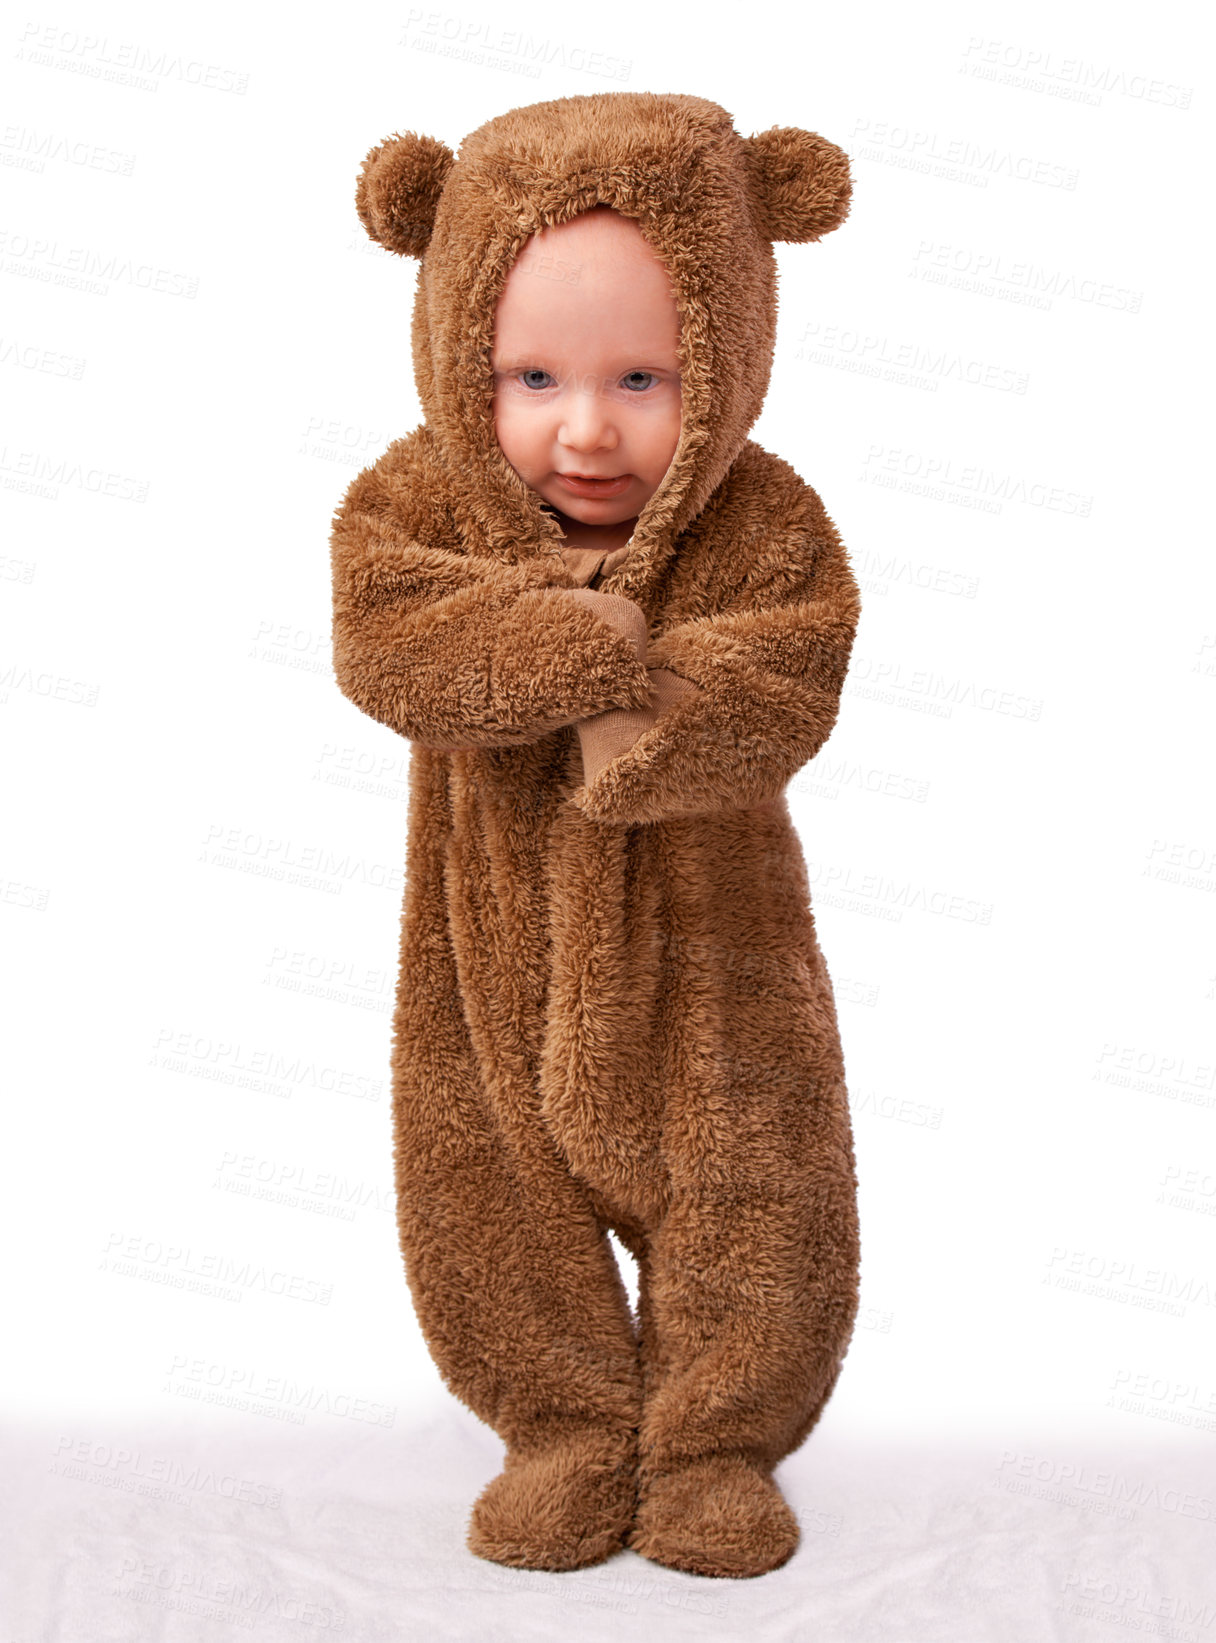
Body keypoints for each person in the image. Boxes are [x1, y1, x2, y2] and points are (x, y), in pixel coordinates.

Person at [331, 90, 863, 1580]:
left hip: (717, 956)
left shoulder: (763, 521)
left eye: (646, 375)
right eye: (532, 376)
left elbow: (788, 674)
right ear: (457, 354)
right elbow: (389, 645)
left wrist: (649, 729)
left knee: (753, 1175)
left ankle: (712, 1439)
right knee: (487, 1182)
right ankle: (560, 1425)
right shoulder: (413, 502)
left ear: (732, 349)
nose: (586, 428)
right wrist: (578, 651)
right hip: (488, 950)